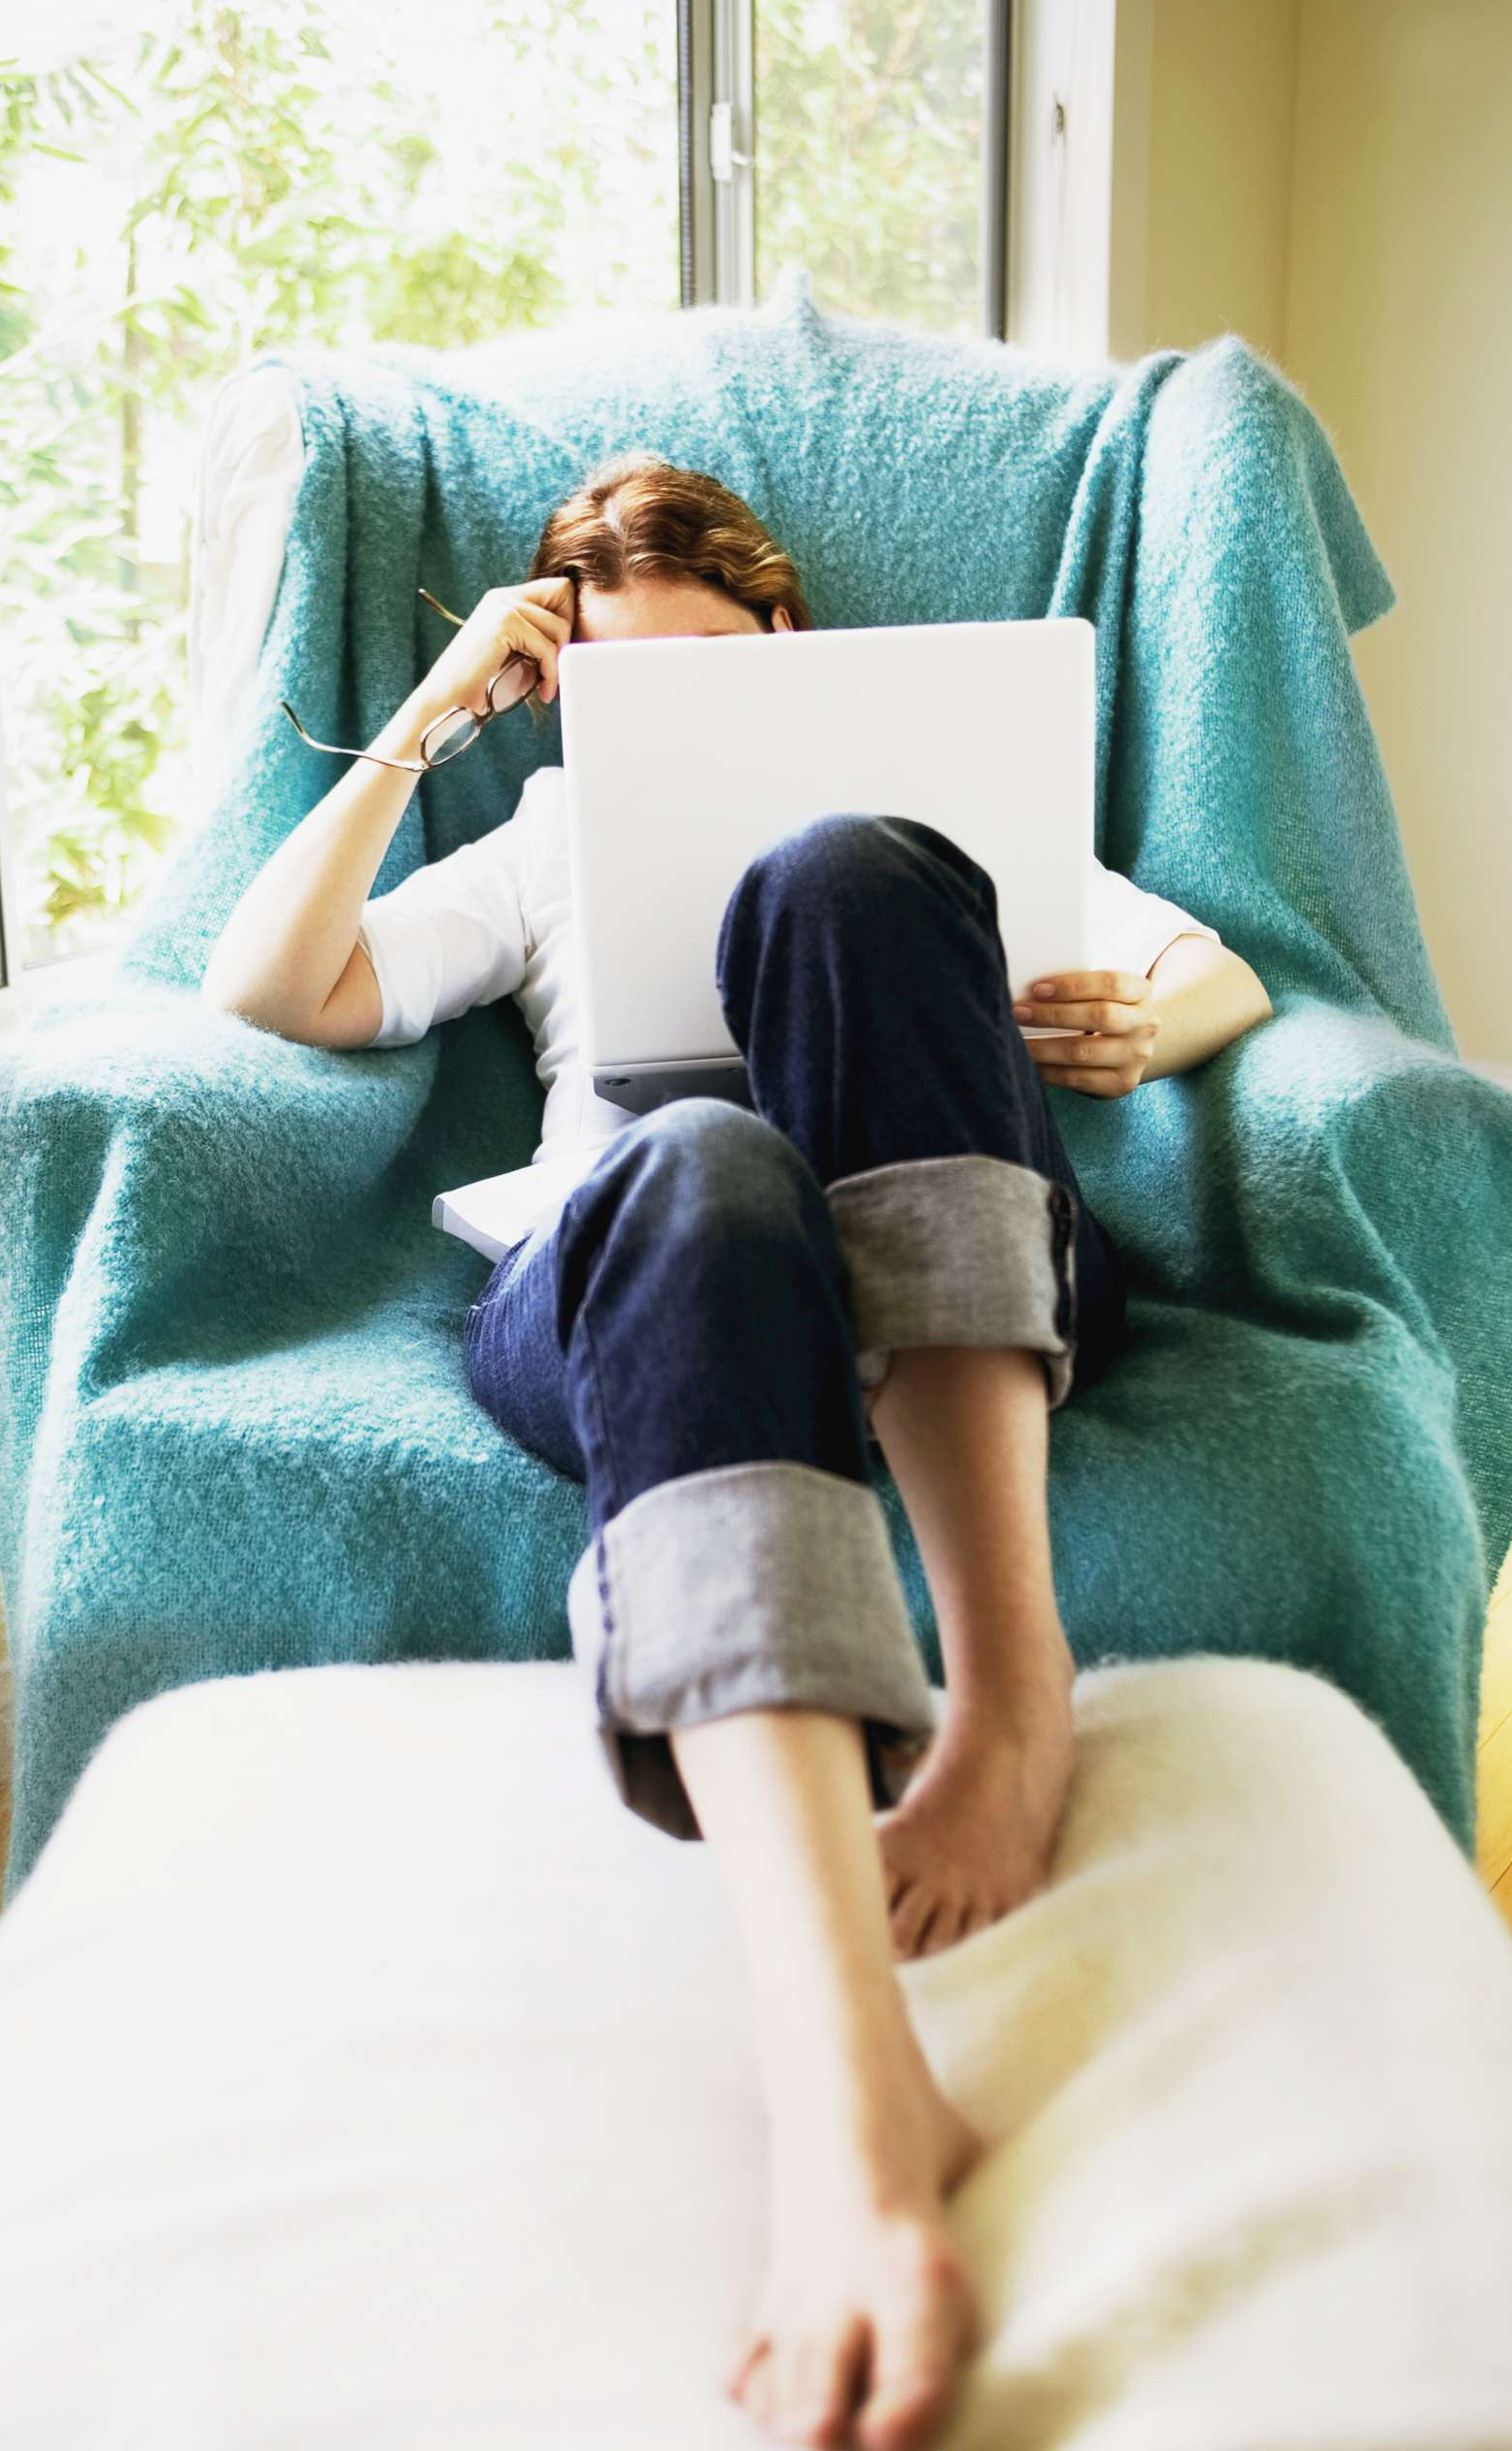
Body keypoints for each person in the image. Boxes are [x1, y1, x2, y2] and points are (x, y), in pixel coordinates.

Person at [201, 449, 1276, 2451]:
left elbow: (1209, 963)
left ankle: (1008, 1689)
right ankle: (849, 2084)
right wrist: (434, 725)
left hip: (954, 1255)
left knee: (844, 868)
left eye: (704, 671)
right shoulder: (536, 831)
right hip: (649, 1278)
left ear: (780, 639)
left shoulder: (911, 787)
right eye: (622, 686)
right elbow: (275, 985)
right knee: (698, 1158)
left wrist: (1146, 1025)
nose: (660, 718)